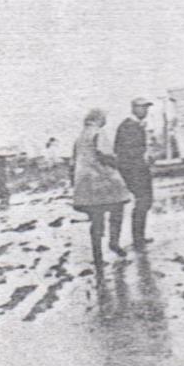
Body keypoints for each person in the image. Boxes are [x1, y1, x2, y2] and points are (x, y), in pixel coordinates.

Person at [72, 109, 131, 271]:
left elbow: (73, 163)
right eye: (104, 118)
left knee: (96, 221)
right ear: (98, 119)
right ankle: (114, 242)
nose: (105, 120)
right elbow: (105, 155)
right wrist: (120, 165)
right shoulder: (98, 133)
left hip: (86, 184)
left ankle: (97, 257)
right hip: (104, 182)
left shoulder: (80, 137)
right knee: (117, 210)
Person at [114, 97, 155, 249]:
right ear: (134, 108)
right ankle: (138, 239)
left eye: (146, 108)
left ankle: (139, 237)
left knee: (144, 202)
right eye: (143, 107)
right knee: (144, 201)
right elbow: (127, 151)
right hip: (134, 171)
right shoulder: (129, 126)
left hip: (136, 169)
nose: (145, 111)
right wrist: (143, 159)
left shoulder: (135, 125)